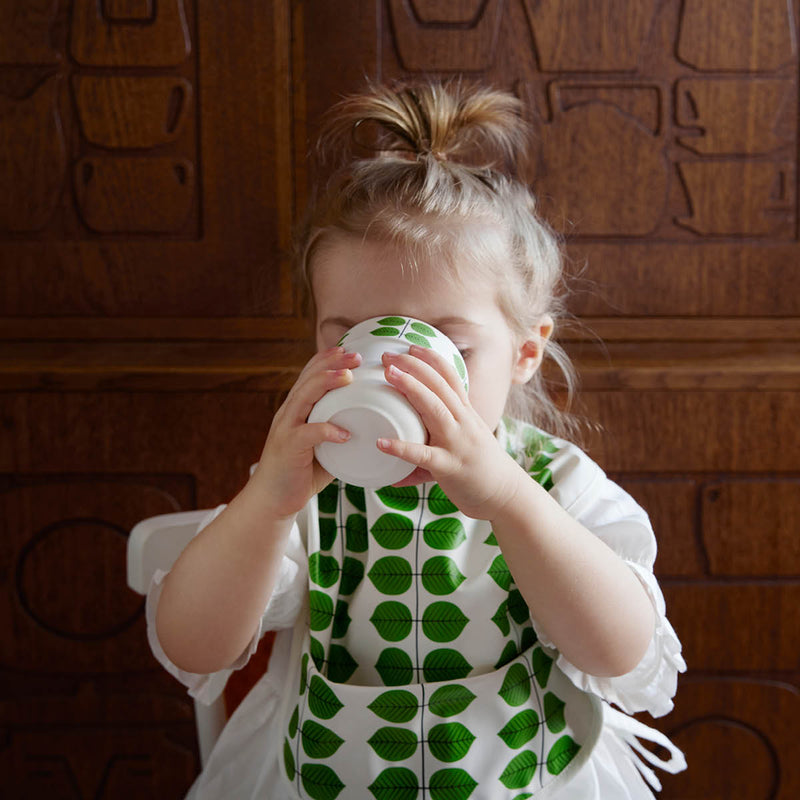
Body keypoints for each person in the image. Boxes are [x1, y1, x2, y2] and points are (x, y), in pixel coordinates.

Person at [148, 80, 687, 799]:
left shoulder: (553, 482)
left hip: (532, 777)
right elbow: (193, 648)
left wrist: (507, 501)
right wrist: (265, 505)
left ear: (525, 352)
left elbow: (621, 656)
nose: (397, 380)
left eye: (446, 350)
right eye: (351, 339)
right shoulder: (304, 479)